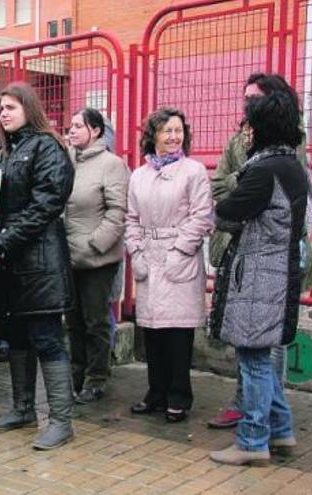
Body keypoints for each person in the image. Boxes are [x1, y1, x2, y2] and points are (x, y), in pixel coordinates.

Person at [207, 73, 312, 430]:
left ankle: (264, 421)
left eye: (254, 99)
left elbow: (289, 197)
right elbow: (218, 185)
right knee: (249, 340)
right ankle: (263, 414)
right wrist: (242, 184)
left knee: (268, 343)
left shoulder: (288, 144)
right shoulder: (236, 141)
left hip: (277, 253)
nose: (247, 106)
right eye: (245, 99)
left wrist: (241, 185)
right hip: (243, 247)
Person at [0, 83, 75, 451]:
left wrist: (5, 238)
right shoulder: (8, 151)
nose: (3, 113)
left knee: (48, 339)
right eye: (1, 107)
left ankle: (61, 422)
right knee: (17, 337)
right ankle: (23, 409)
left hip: (40, 263)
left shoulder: (46, 146)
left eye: (10, 107)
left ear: (29, 109)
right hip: (13, 264)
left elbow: (47, 203)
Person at [124, 107, 213, 423]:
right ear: (154, 136)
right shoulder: (139, 174)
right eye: (167, 131)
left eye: (179, 131)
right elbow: (131, 218)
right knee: (152, 330)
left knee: (178, 332)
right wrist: (136, 250)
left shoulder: (194, 171)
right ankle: (155, 392)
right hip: (149, 255)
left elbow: (201, 215)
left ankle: (179, 395)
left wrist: (179, 250)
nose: (175, 136)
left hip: (179, 257)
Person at [64, 108, 130, 403]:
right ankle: (76, 375)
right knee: (73, 321)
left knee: (96, 321)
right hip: (67, 255)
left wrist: (96, 244)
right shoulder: (67, 160)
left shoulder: (111, 165)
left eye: (79, 126)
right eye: (71, 126)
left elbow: (118, 211)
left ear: (97, 131)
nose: (72, 131)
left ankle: (97, 378)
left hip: (96, 259)